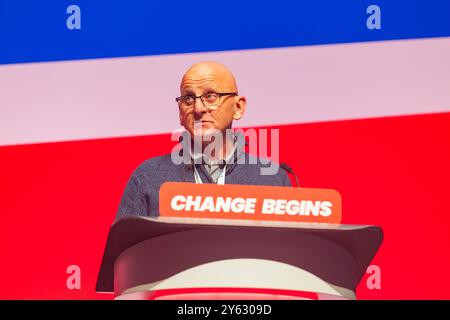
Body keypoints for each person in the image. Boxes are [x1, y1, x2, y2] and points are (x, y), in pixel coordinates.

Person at [116, 61, 291, 218]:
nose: (198, 108)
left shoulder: (273, 179)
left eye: (210, 96)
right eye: (188, 99)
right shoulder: (148, 176)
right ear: (180, 113)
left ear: (238, 107)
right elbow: (125, 252)